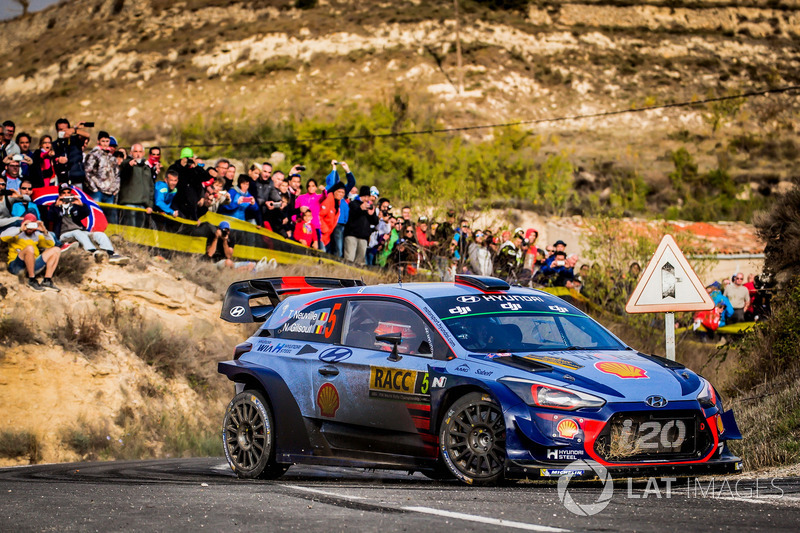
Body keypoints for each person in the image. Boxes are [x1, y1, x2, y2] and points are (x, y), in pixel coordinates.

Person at [49, 183, 129, 265]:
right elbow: (50, 218)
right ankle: (92, 251)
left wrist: (81, 204)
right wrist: (56, 206)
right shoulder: (54, 207)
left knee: (99, 234)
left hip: (81, 232)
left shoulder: (74, 206)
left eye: (68, 193)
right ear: (59, 195)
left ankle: (110, 253)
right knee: (77, 232)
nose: (66, 195)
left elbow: (86, 213)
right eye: (63, 193)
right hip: (64, 235)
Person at [1, 212, 62, 292]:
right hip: (16, 265)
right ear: (24, 223)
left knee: (56, 250)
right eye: (28, 224)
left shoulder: (37, 235)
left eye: (33, 225)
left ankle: (47, 280)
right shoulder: (15, 231)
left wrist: (44, 231)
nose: (30, 228)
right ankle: (31, 280)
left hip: (32, 265)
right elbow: (2, 237)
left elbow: (51, 244)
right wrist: (21, 229)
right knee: (29, 248)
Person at [84, 130, 120, 223]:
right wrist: (94, 188)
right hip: (97, 192)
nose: (105, 143)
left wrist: (116, 188)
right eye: (103, 141)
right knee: (96, 216)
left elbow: (117, 174)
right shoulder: (93, 154)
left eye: (107, 141)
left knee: (110, 218)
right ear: (98, 141)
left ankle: (110, 236)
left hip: (110, 193)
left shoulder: (111, 157)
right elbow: (87, 172)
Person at [324, 160, 356, 257]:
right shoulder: (330, 192)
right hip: (333, 222)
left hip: (342, 223)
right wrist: (334, 168)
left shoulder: (341, 193)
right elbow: (333, 183)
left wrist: (347, 170)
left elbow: (351, 182)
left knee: (338, 247)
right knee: (335, 247)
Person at [118, 143, 154, 227]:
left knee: (139, 234)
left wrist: (150, 205)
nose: (138, 154)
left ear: (144, 153)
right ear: (131, 153)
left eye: (140, 151)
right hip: (129, 204)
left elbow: (151, 188)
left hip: (142, 206)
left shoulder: (147, 168)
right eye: (135, 151)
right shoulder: (127, 164)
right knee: (129, 233)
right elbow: (123, 168)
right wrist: (129, 165)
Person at [343, 185, 379, 264]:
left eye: (368, 196)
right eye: (364, 196)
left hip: (364, 237)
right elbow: (351, 216)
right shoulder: (353, 203)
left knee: (360, 261)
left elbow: (375, 222)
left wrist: (372, 214)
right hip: (352, 235)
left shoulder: (370, 206)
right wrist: (360, 209)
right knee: (350, 258)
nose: (366, 199)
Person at [52, 118, 90, 187]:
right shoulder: (54, 144)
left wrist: (74, 130)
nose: (63, 131)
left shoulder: (76, 140)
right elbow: (51, 158)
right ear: (57, 130)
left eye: (65, 129)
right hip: (61, 180)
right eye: (60, 130)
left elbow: (87, 135)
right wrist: (58, 159)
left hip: (76, 178)